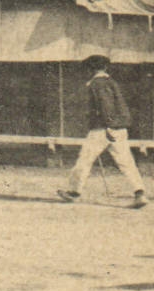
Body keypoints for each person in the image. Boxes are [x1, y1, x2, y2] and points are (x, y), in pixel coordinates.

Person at [59, 55, 146, 208]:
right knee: (126, 162)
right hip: (119, 128)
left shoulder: (96, 84)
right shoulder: (111, 82)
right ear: (105, 68)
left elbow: (106, 106)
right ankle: (140, 193)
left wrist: (108, 125)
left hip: (103, 129)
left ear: (90, 69)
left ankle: (74, 192)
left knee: (84, 161)